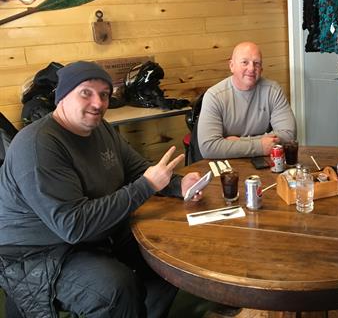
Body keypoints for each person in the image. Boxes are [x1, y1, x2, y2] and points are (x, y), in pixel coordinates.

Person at [0, 61, 203, 317]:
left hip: (94, 232)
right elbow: (73, 225)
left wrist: (178, 184)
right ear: (62, 97)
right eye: (86, 92)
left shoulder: (101, 128)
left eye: (104, 94)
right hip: (37, 252)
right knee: (116, 289)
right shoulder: (38, 145)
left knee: (168, 257)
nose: (98, 103)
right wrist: (147, 185)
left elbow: (136, 168)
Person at [198, 41, 296, 159]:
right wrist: (260, 146)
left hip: (263, 161)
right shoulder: (214, 96)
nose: (251, 68)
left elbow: (289, 135)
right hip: (226, 163)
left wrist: (240, 142)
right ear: (232, 66)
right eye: (245, 62)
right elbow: (208, 147)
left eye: (256, 63)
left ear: (261, 68)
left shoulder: (273, 90)